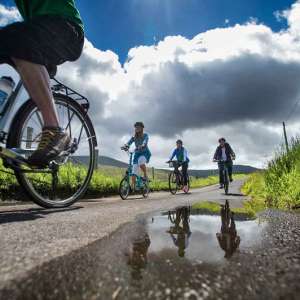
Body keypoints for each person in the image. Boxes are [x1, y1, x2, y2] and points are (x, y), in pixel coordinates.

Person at [0, 0, 84, 169]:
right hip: (38, 30)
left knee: (14, 39)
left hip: (65, 26)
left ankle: (54, 130)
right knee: (13, 44)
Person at [121, 122, 151, 190]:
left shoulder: (145, 135)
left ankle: (145, 175)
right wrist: (125, 146)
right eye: (136, 127)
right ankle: (132, 187)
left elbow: (145, 141)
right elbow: (129, 142)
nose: (137, 128)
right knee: (134, 172)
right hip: (137, 154)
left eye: (138, 127)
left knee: (141, 160)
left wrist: (143, 145)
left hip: (145, 153)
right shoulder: (134, 136)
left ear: (141, 128)